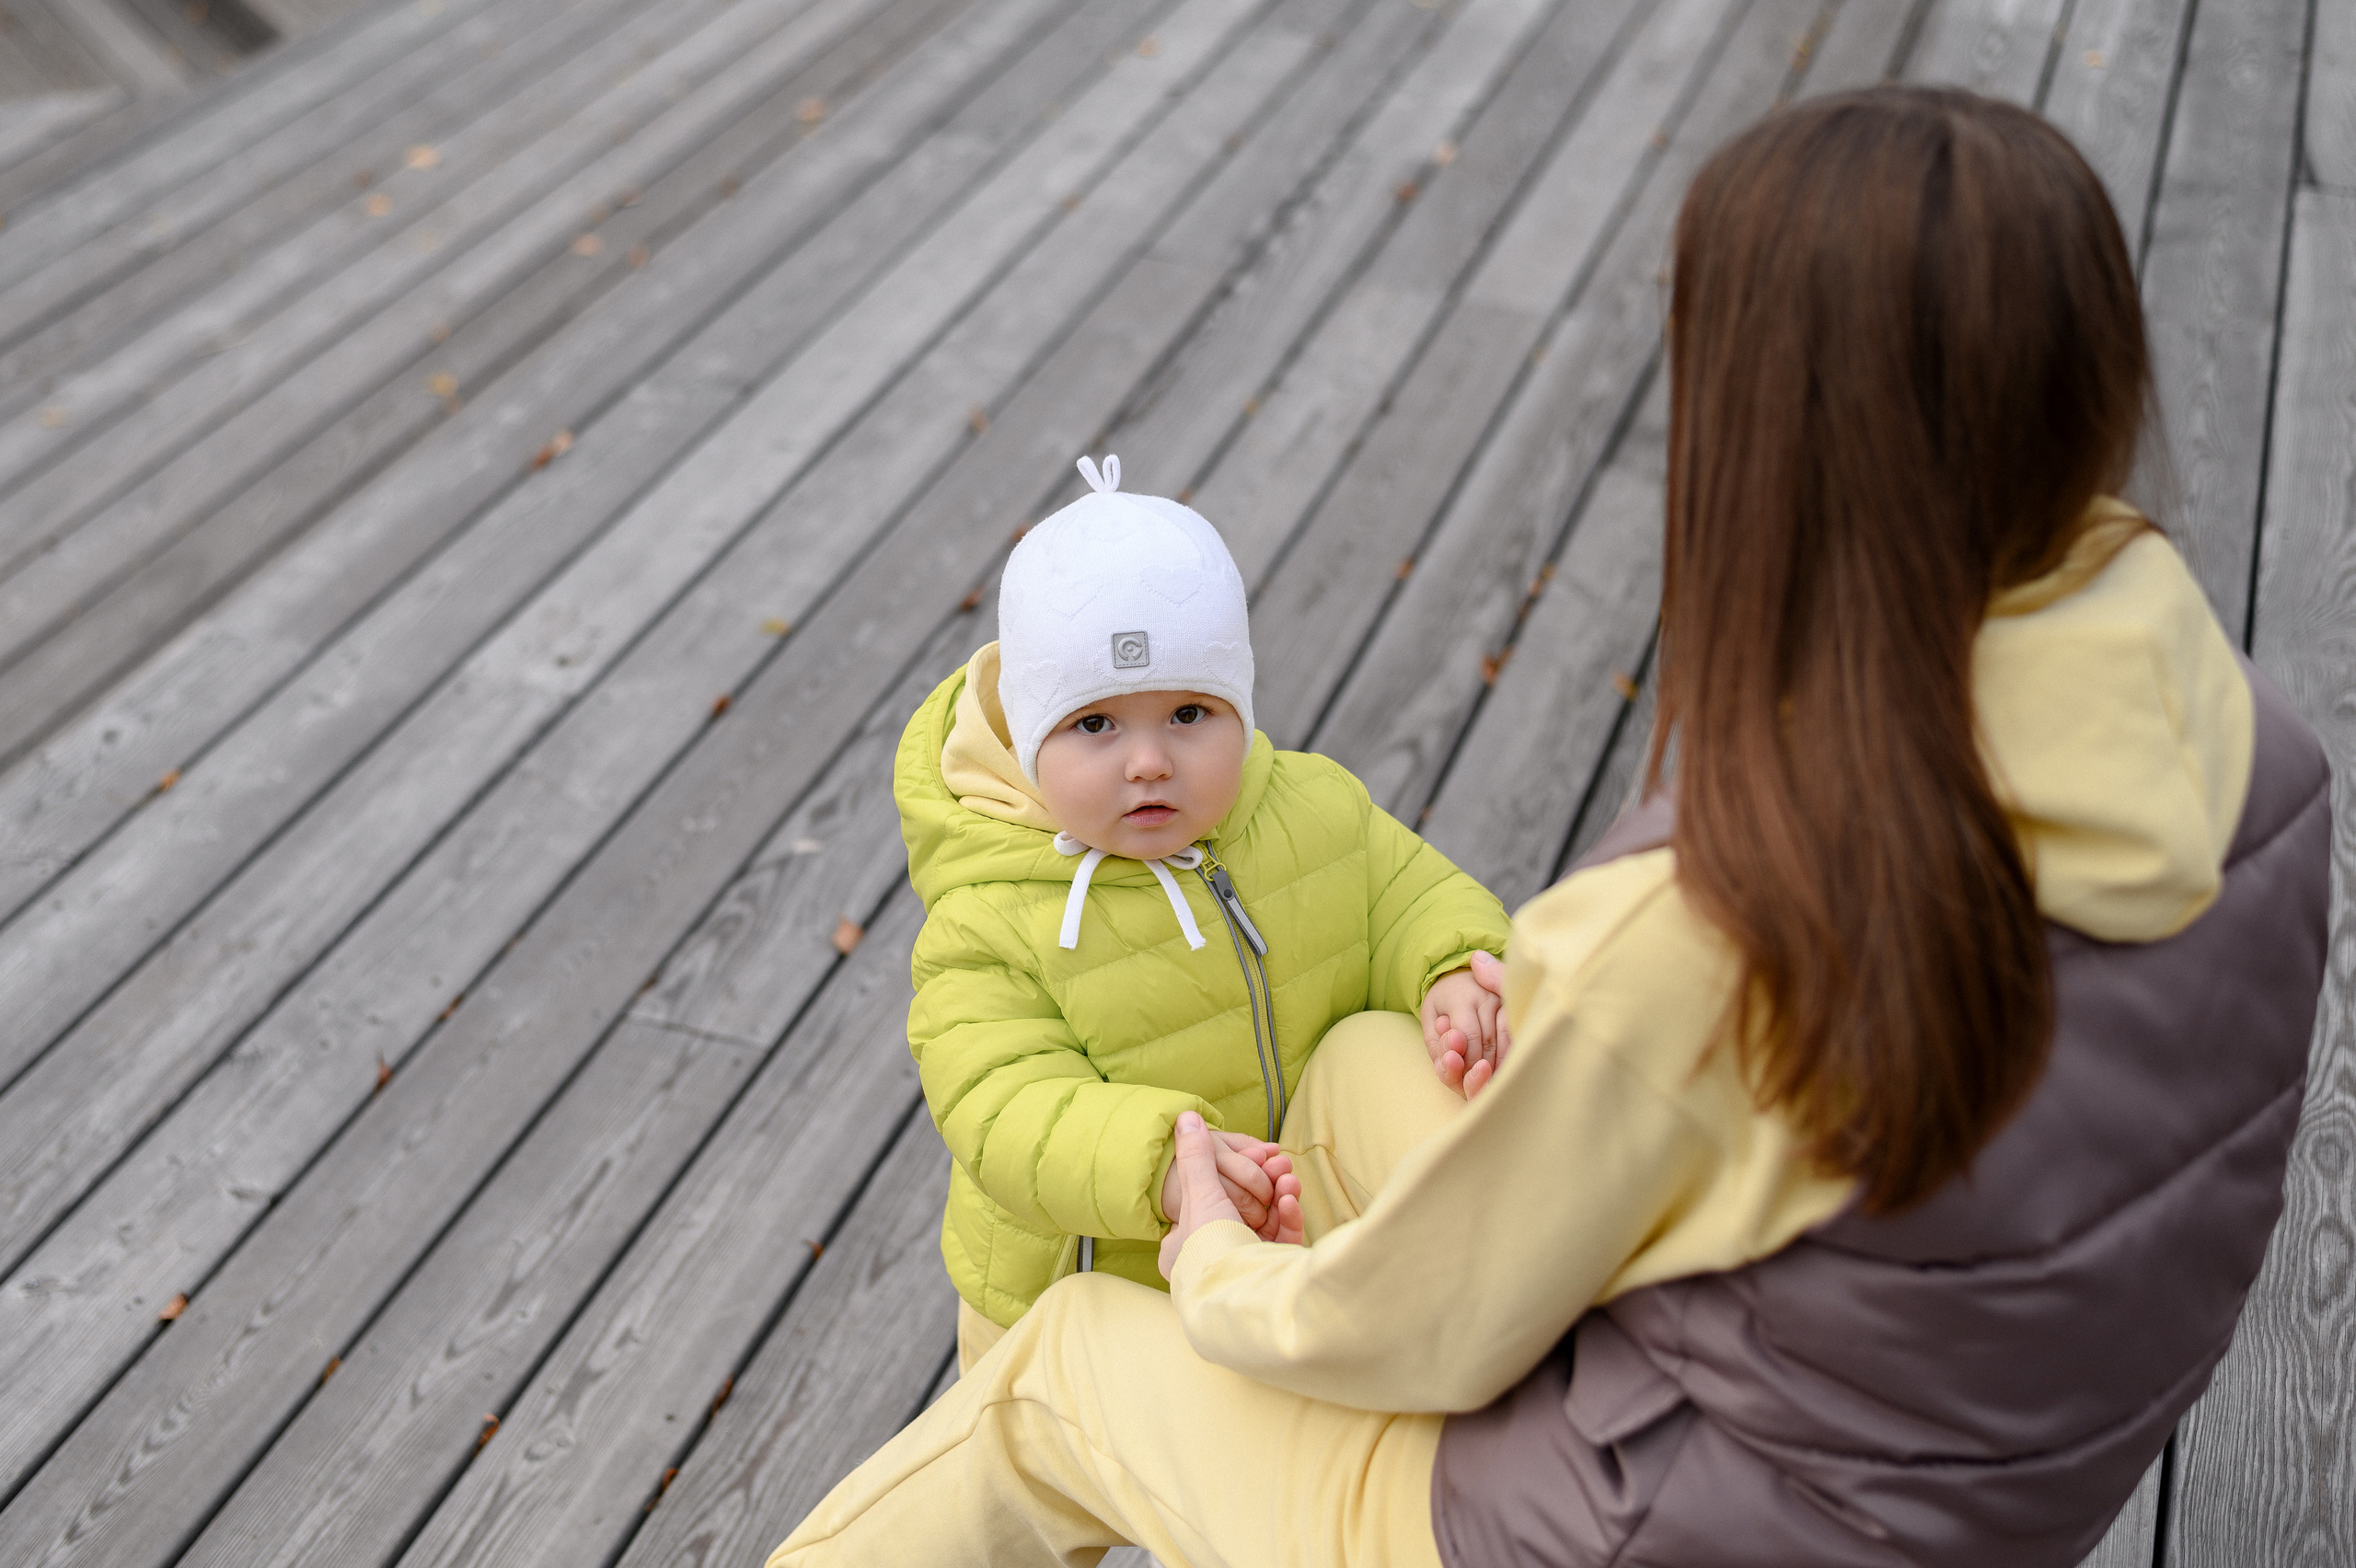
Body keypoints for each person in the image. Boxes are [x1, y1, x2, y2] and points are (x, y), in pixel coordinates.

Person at [770, 86, 2332, 1566]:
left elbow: (1436, 1320)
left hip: (1625, 1518)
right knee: (1356, 1067)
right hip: (1966, 1474)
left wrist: (1209, 1264)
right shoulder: (2252, 747)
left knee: (1063, 1371)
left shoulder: (1720, 913)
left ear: (1776, 438)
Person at [896, 452, 1513, 1371]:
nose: (1148, 761)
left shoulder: (1307, 809)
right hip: (1087, 1297)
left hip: (1278, 1247)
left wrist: (1453, 967)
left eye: (1188, 713)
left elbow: (1407, 892)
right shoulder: (986, 920)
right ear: (1027, 738)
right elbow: (1001, 1107)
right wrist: (1158, 1168)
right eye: (1095, 725)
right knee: (1072, 1481)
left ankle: (1476, 1294)